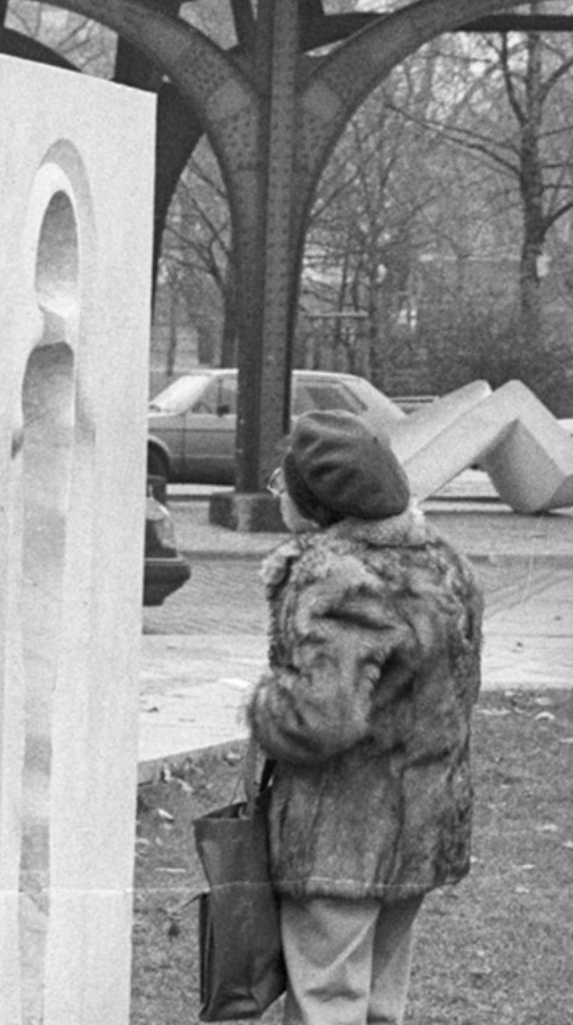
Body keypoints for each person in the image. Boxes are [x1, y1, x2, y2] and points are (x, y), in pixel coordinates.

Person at [247, 410, 483, 1025]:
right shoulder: (443, 563)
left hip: (341, 838)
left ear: (317, 504)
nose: (278, 492)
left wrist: (262, 706)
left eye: (284, 482)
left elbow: (317, 719)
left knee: (327, 1002)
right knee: (379, 1005)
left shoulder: (338, 578)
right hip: (421, 827)